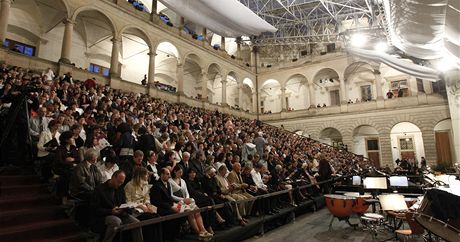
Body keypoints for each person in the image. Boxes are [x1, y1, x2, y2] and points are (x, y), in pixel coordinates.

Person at [91, 170, 143, 242]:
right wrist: (111, 211)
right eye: (119, 182)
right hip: (105, 215)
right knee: (116, 221)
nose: (120, 184)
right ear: (113, 178)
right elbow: (95, 209)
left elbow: (123, 203)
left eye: (122, 183)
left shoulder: (120, 189)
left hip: (119, 213)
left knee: (137, 223)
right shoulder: (99, 189)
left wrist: (125, 209)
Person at [169, 165, 213, 238]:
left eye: (182, 172)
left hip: (186, 201)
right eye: (179, 172)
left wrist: (187, 199)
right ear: (175, 171)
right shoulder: (170, 181)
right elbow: (171, 196)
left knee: (197, 210)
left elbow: (187, 193)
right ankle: (199, 233)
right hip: (177, 203)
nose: (181, 174)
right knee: (190, 212)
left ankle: (203, 230)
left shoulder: (182, 180)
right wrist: (182, 200)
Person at [124, 167, 161, 242]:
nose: (148, 176)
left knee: (158, 217)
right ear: (140, 175)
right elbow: (128, 202)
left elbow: (147, 197)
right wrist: (140, 206)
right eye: (146, 174)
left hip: (145, 208)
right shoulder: (129, 185)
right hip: (135, 211)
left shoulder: (145, 183)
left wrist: (148, 205)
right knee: (151, 218)